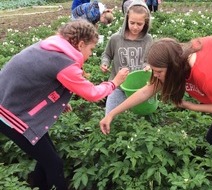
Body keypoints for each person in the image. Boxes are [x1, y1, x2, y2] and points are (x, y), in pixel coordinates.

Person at [0, 19, 129, 190]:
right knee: (54, 164)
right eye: (91, 49)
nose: (90, 54)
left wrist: (57, 102)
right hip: (10, 115)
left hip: (10, 104)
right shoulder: (64, 62)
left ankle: (38, 186)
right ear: (81, 44)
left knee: (47, 157)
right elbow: (92, 94)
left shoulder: (51, 46)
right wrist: (115, 82)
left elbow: (38, 80)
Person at [99, 36, 212, 149]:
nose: (155, 76)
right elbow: (146, 92)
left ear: (174, 68)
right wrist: (112, 114)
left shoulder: (204, 75)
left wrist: (191, 106)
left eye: (158, 71)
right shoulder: (178, 57)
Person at [100, 0, 153, 115]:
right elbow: (107, 54)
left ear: (146, 23)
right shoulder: (116, 38)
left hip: (138, 87)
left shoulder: (147, 39)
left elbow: (148, 60)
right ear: (126, 20)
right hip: (117, 85)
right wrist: (105, 63)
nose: (135, 27)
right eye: (132, 22)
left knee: (140, 117)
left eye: (140, 24)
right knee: (110, 115)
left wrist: (148, 67)